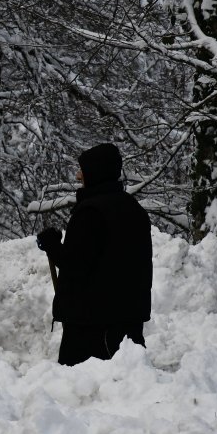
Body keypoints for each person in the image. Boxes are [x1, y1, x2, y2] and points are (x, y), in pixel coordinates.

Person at [36, 143, 152, 366]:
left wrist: (52, 245)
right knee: (128, 386)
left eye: (83, 169)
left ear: (96, 171)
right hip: (128, 316)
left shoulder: (91, 212)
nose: (78, 175)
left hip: (92, 325)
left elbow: (75, 266)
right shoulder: (133, 208)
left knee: (82, 392)